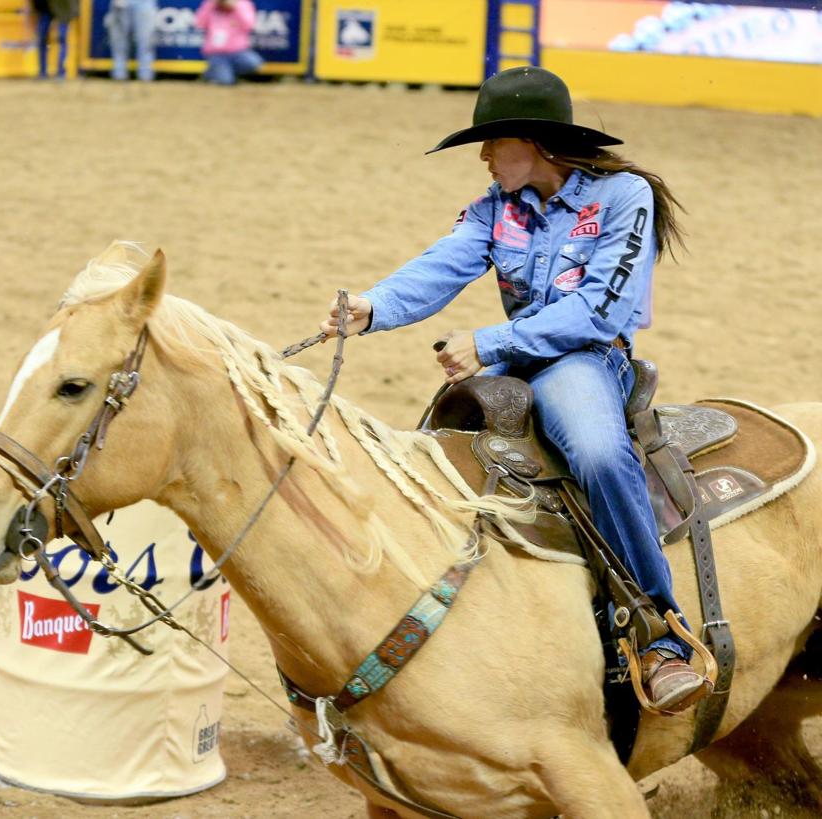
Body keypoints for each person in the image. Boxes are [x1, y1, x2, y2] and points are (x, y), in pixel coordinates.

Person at [319, 66, 702, 712]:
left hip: (583, 360)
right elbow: (442, 264)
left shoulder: (622, 197)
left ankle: (661, 633)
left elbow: (600, 312)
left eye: (494, 143)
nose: (485, 157)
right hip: (516, 364)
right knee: (430, 460)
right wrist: (372, 306)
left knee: (600, 454)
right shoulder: (496, 210)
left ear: (535, 144)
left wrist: (491, 343)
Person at [194, 0, 263, 86]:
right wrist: (212, 5)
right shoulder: (210, 4)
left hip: (239, 52)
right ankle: (214, 73)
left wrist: (236, 7)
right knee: (225, 82)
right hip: (216, 54)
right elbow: (199, 23)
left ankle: (222, 72)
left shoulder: (243, 3)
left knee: (254, 63)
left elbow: (250, 25)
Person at [106, 0, 157, 82]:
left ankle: (146, 74)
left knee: (146, 40)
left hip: (145, 2)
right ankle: (119, 73)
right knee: (119, 40)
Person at [31, 0, 78, 79]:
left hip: (62, 10)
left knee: (62, 39)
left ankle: (61, 72)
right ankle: (43, 72)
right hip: (46, 10)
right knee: (42, 39)